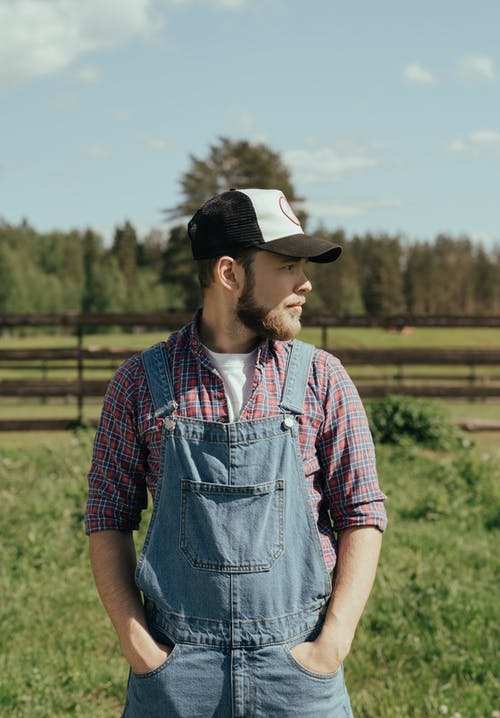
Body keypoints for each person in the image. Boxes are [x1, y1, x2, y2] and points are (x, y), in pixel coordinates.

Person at [85, 188, 387, 717]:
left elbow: (362, 512)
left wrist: (331, 644)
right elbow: (107, 517)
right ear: (230, 273)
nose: (305, 283)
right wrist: (140, 648)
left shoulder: (322, 379)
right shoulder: (139, 384)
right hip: (178, 679)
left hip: (297, 673)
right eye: (288, 265)